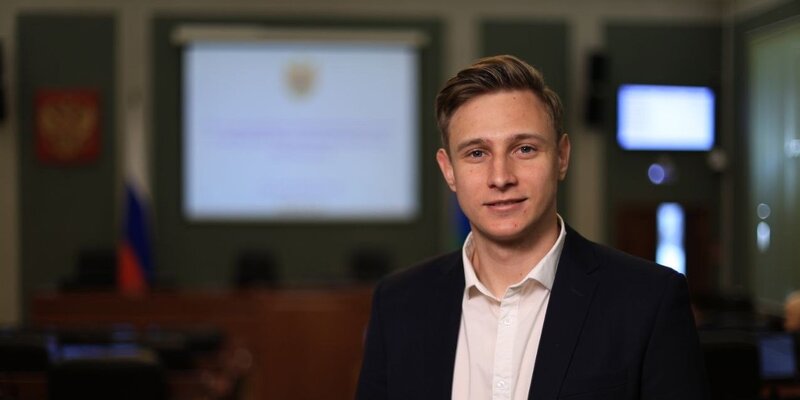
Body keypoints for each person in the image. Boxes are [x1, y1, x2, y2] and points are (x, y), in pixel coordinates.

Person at [356, 55, 708, 400]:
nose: (500, 177)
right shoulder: (398, 304)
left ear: (562, 156)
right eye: (477, 153)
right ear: (449, 170)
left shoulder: (649, 301)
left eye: (524, 149)